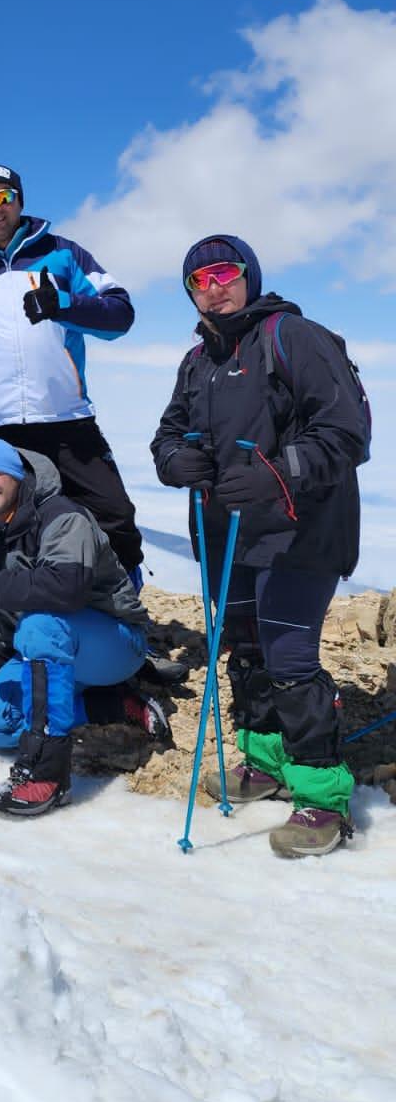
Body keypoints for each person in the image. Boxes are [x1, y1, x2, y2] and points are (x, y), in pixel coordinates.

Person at [151, 235, 368, 858]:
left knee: (290, 659)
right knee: (245, 653)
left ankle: (323, 797)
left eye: (225, 272)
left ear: (249, 276)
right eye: (199, 280)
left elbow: (346, 429)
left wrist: (279, 472)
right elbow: (166, 434)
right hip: (228, 532)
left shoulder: (293, 337)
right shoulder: (198, 360)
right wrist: (176, 460)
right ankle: (266, 763)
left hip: (301, 529)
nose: (213, 286)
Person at [0, 163, 144, 579]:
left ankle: (122, 620)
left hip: (66, 419)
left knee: (115, 519)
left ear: (19, 201)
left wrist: (65, 306)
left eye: (4, 197)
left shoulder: (63, 254)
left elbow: (120, 314)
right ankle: (4, 638)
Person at [0, 439, 150, 818]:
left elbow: (66, 588)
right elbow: (10, 606)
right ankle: (116, 705)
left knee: (41, 625)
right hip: (55, 646)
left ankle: (47, 773)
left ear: (17, 475)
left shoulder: (63, 516)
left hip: (115, 642)